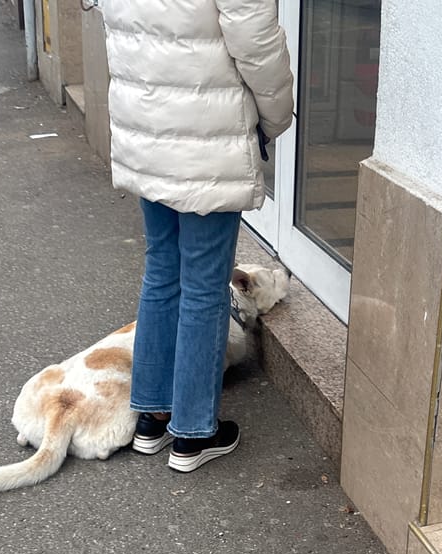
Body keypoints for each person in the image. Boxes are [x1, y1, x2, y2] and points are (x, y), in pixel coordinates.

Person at [100, 0, 294, 472]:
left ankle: (152, 416)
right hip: (208, 134)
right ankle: (193, 434)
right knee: (205, 288)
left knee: (163, 273)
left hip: (146, 128)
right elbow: (257, 43)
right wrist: (276, 118)